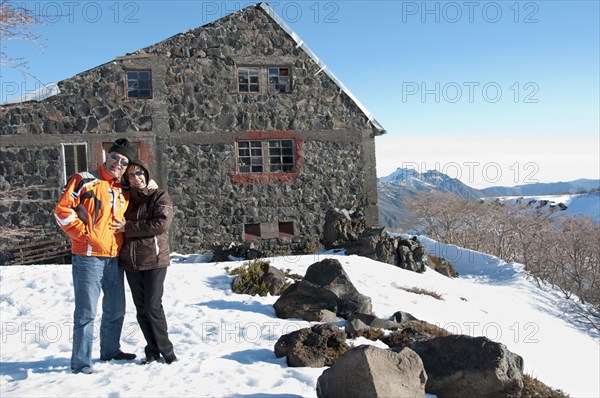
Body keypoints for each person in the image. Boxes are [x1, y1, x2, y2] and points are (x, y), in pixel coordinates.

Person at [54, 138, 138, 374]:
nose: (118, 164)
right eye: (115, 158)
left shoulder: (124, 188)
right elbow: (62, 210)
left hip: (114, 258)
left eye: (123, 162)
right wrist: (85, 235)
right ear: (107, 157)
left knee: (116, 308)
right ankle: (81, 363)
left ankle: (110, 350)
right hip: (88, 257)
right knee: (86, 312)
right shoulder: (83, 179)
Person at [116, 160, 177, 365]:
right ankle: (152, 350)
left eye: (140, 173)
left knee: (152, 306)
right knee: (141, 308)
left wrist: (128, 227)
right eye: (131, 176)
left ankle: (167, 352)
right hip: (131, 262)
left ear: (147, 173)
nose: (136, 178)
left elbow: (160, 224)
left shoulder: (160, 195)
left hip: (155, 259)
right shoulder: (127, 199)